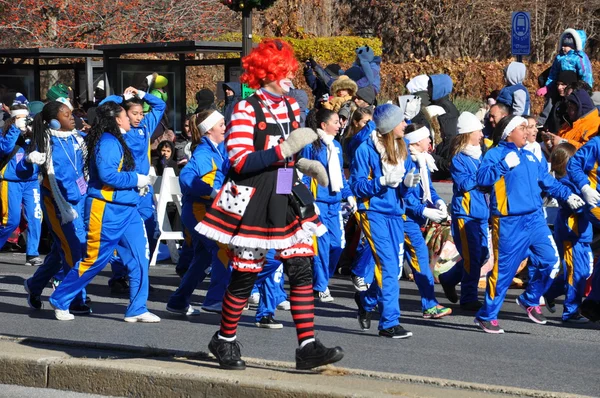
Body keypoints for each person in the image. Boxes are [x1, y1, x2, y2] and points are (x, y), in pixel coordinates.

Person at [195, 39, 343, 371]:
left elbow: (291, 153)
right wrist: (284, 151)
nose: (291, 77)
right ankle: (225, 339)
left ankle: (307, 346)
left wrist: (304, 165)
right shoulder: (245, 108)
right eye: (284, 71)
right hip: (252, 194)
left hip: (286, 188)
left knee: (301, 265)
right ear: (267, 73)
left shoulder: (292, 106)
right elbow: (240, 161)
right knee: (246, 273)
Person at [49, 101, 158, 323]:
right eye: (127, 116)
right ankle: (60, 298)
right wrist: (137, 179)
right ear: (118, 119)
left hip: (127, 208)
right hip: (106, 208)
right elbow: (108, 175)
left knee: (139, 257)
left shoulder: (116, 139)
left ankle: (137, 307)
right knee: (95, 259)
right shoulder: (108, 141)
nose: (131, 119)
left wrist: (136, 183)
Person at [474, 115, 583, 333]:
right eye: (522, 128)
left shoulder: (532, 156)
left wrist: (568, 195)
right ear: (509, 132)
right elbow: (482, 180)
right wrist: (503, 165)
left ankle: (530, 298)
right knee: (504, 272)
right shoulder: (495, 154)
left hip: (534, 219)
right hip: (508, 221)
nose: (527, 132)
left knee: (551, 260)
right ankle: (487, 316)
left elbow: (548, 181)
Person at [350, 103, 421, 338]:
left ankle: (367, 299)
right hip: (373, 213)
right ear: (390, 126)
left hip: (395, 214)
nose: (405, 124)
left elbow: (404, 193)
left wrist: (407, 185)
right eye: (401, 121)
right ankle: (389, 322)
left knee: (392, 267)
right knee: (389, 265)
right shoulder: (365, 149)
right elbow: (357, 186)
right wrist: (380, 182)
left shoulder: (404, 149)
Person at [23, 101, 90, 314]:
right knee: (74, 250)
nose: (72, 117)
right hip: (58, 204)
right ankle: (75, 299)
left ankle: (35, 285)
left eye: (72, 114)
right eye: (66, 114)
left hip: (79, 200)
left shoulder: (78, 138)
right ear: (53, 120)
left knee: (61, 250)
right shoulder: (45, 140)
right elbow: (28, 158)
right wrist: (31, 158)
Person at [99, 87, 166, 294]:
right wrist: (121, 97)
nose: (138, 117)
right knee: (118, 236)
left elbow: (160, 105)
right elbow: (103, 107)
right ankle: (120, 275)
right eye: (133, 114)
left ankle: (139, 274)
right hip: (124, 189)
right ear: (122, 116)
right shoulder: (118, 132)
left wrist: (141, 94)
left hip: (143, 191)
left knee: (152, 231)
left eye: (140, 113)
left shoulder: (145, 126)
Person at [166, 109, 229, 316]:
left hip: (206, 210)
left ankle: (178, 301)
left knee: (202, 259)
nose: (225, 127)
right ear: (209, 130)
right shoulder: (204, 152)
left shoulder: (217, 150)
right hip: (198, 210)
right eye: (221, 125)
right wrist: (212, 192)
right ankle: (214, 300)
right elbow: (186, 177)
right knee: (222, 249)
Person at [301, 109, 355, 302]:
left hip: (335, 204)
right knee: (322, 246)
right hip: (319, 204)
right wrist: (308, 201)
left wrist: (348, 196)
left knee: (337, 245)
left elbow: (340, 174)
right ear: (323, 125)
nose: (339, 124)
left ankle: (321, 277)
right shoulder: (310, 146)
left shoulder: (337, 146)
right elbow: (305, 175)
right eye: (335, 121)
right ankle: (320, 286)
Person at [438, 112, 489, 311]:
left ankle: (449, 278)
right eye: (479, 131)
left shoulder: (481, 155)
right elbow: (464, 183)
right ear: (468, 133)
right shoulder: (459, 159)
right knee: (473, 256)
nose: (482, 134)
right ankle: (468, 297)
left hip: (482, 213)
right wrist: (483, 175)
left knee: (482, 254)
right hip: (466, 214)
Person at [402, 124, 452, 319]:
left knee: (390, 262)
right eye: (427, 139)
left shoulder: (422, 160)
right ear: (416, 141)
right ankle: (429, 305)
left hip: (413, 218)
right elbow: (405, 196)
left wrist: (437, 201)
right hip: (405, 218)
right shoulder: (407, 161)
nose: (430, 142)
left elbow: (428, 188)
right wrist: (424, 210)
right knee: (420, 258)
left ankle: (367, 299)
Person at [542, 143, 592, 323]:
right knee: (575, 273)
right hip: (571, 235)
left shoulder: (578, 180)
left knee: (584, 271)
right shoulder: (564, 184)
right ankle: (571, 311)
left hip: (582, 233)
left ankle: (550, 291)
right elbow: (578, 207)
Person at [0, 104, 43, 267]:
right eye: (20, 117)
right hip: (11, 182)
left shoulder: (33, 134)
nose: (24, 120)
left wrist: (38, 159)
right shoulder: (4, 132)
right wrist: (15, 129)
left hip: (31, 182)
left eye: (26, 117)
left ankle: (32, 253)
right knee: (11, 220)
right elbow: (5, 148)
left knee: (35, 217)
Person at [428, 74, 459, 180]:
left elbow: (448, 137)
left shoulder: (443, 108)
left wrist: (435, 158)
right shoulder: (446, 105)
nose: (428, 89)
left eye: (431, 86)